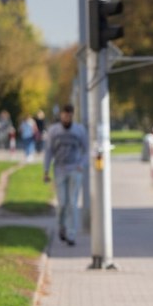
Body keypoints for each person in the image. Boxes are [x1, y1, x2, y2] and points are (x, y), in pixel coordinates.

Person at [43, 104, 89, 246]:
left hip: (74, 170)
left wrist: (81, 165)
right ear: (61, 115)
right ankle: (61, 226)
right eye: (64, 115)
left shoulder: (79, 130)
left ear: (72, 115)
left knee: (72, 203)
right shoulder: (54, 131)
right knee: (62, 203)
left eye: (69, 115)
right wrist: (46, 170)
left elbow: (87, 150)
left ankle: (71, 234)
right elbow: (49, 151)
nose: (66, 117)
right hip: (59, 170)